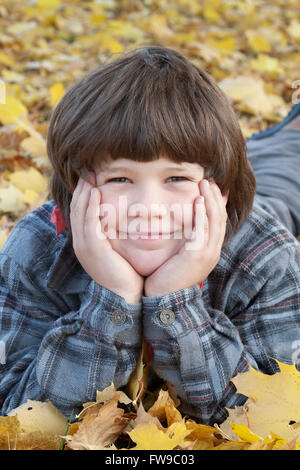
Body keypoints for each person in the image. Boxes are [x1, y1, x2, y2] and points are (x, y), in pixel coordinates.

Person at [0, 46, 300, 426]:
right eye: (119, 178)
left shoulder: (266, 256)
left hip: (264, 208)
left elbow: (267, 421)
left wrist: (175, 300)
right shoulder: (36, 249)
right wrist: (112, 301)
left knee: (288, 180)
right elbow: (15, 418)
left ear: (220, 191)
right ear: (75, 188)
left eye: (176, 178)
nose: (148, 207)